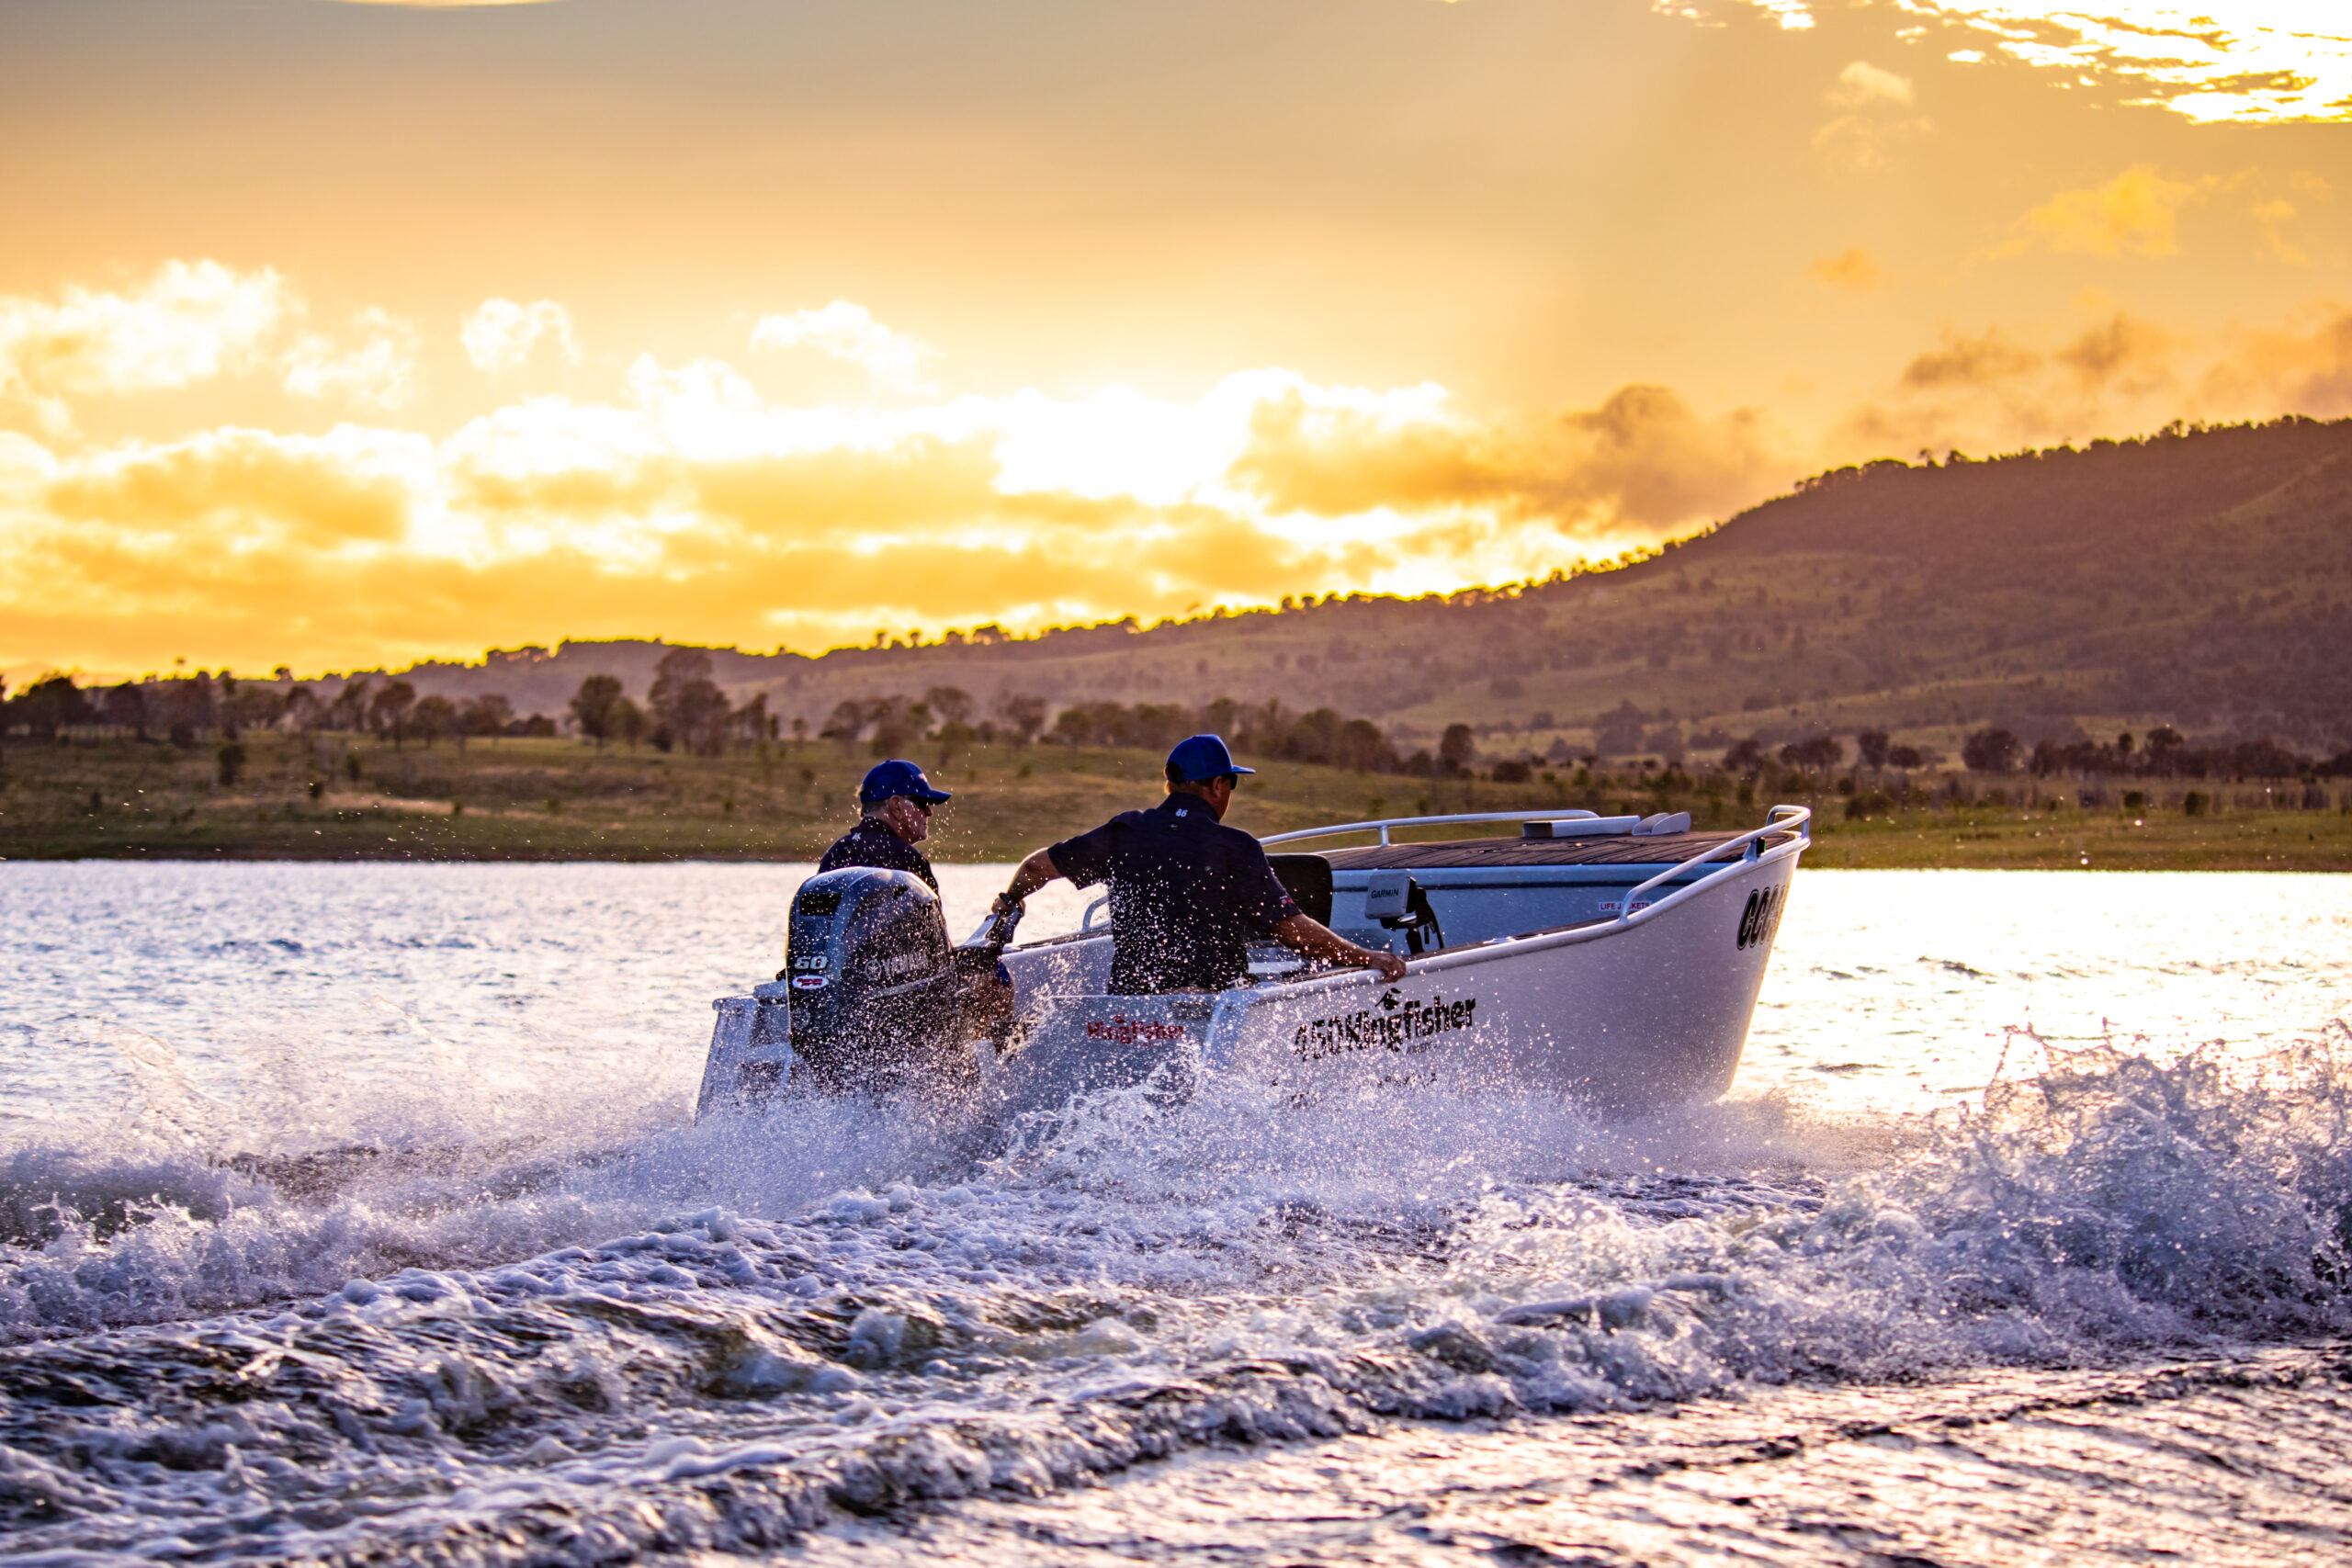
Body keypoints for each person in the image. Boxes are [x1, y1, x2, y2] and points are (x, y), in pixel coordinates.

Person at [991, 733, 1408, 994]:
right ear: (1219, 785)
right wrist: (1365, 956)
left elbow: (1034, 869)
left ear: (1169, 785)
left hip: (1129, 1004)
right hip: (1207, 1004)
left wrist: (1011, 902)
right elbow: (1294, 933)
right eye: (1231, 784)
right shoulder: (1235, 846)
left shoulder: (1125, 832)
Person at [819, 759, 951, 891]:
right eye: (922, 803)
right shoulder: (908, 860)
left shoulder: (836, 852)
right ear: (896, 805)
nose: (929, 812)